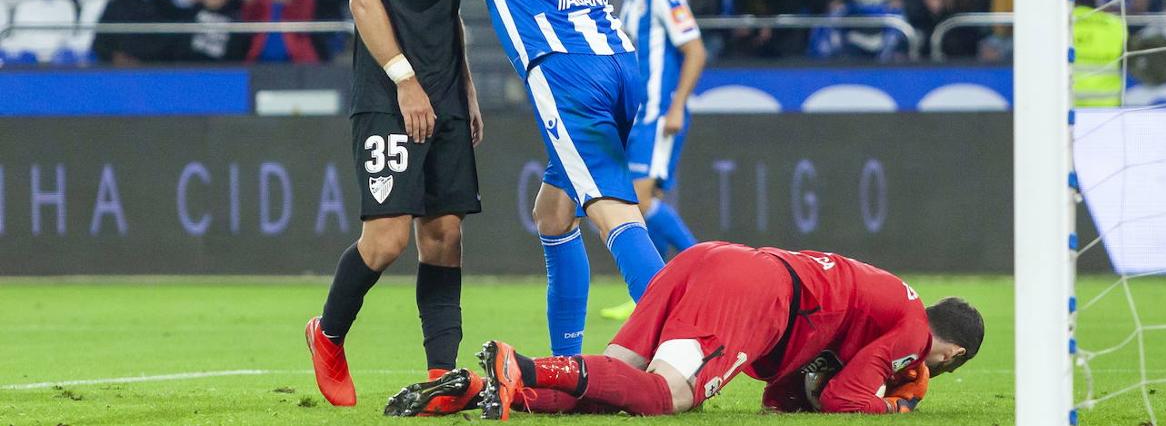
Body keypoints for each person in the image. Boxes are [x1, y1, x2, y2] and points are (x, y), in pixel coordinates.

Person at [353, 0, 665, 361]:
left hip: (569, 71)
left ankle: (683, 344)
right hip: (617, 61)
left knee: (613, 211)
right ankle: (565, 361)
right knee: (553, 214)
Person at [305, 0, 487, 412]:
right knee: (384, 241)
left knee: (445, 236)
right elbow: (364, 4)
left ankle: (442, 376)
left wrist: (465, 85)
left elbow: (449, 11)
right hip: (389, 96)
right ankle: (327, 334)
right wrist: (406, 81)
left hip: (446, 95)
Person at [405, 242, 982, 418]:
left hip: (707, 258)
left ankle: (488, 392)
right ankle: (524, 365)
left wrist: (801, 390)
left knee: (618, 387)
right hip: (759, 291)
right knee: (667, 397)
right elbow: (843, 397)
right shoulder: (911, 332)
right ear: (951, 351)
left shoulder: (892, 300)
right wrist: (895, 410)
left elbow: (781, 397)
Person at [600, 0, 708, 320]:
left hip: (658, 116)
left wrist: (677, 105)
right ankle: (652, 296)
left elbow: (695, 51)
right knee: (644, 202)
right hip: (640, 117)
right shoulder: (632, 0)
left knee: (641, 202)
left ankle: (705, 275)